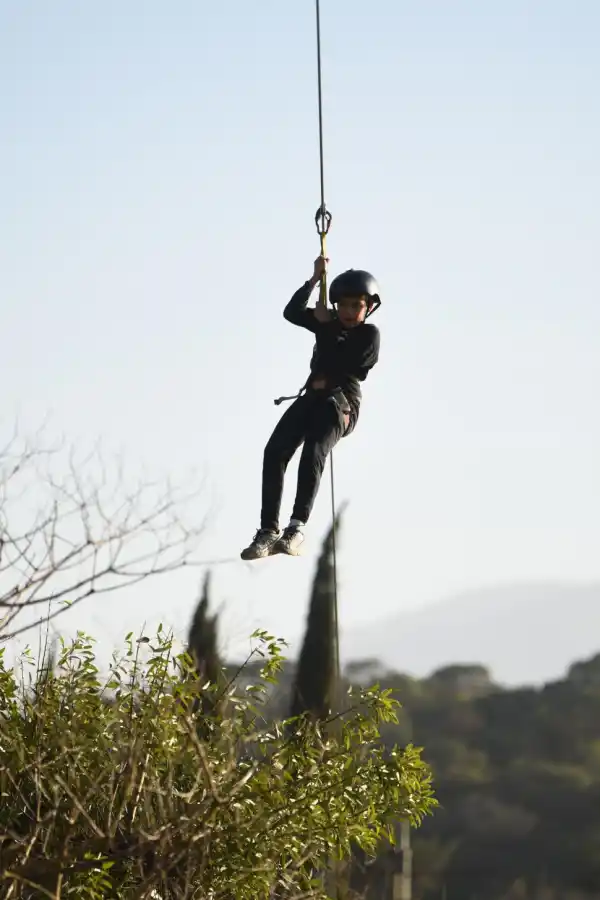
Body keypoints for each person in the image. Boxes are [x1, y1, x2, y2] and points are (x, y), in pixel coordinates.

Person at [240, 255, 381, 560]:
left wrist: (325, 324)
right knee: (275, 451)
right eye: (342, 305)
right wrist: (314, 281)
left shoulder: (369, 335)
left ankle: (296, 528)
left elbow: (344, 363)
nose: (346, 311)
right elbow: (290, 313)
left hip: (341, 404)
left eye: (355, 306)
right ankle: (268, 531)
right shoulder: (328, 323)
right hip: (312, 398)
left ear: (368, 308)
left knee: (314, 450)